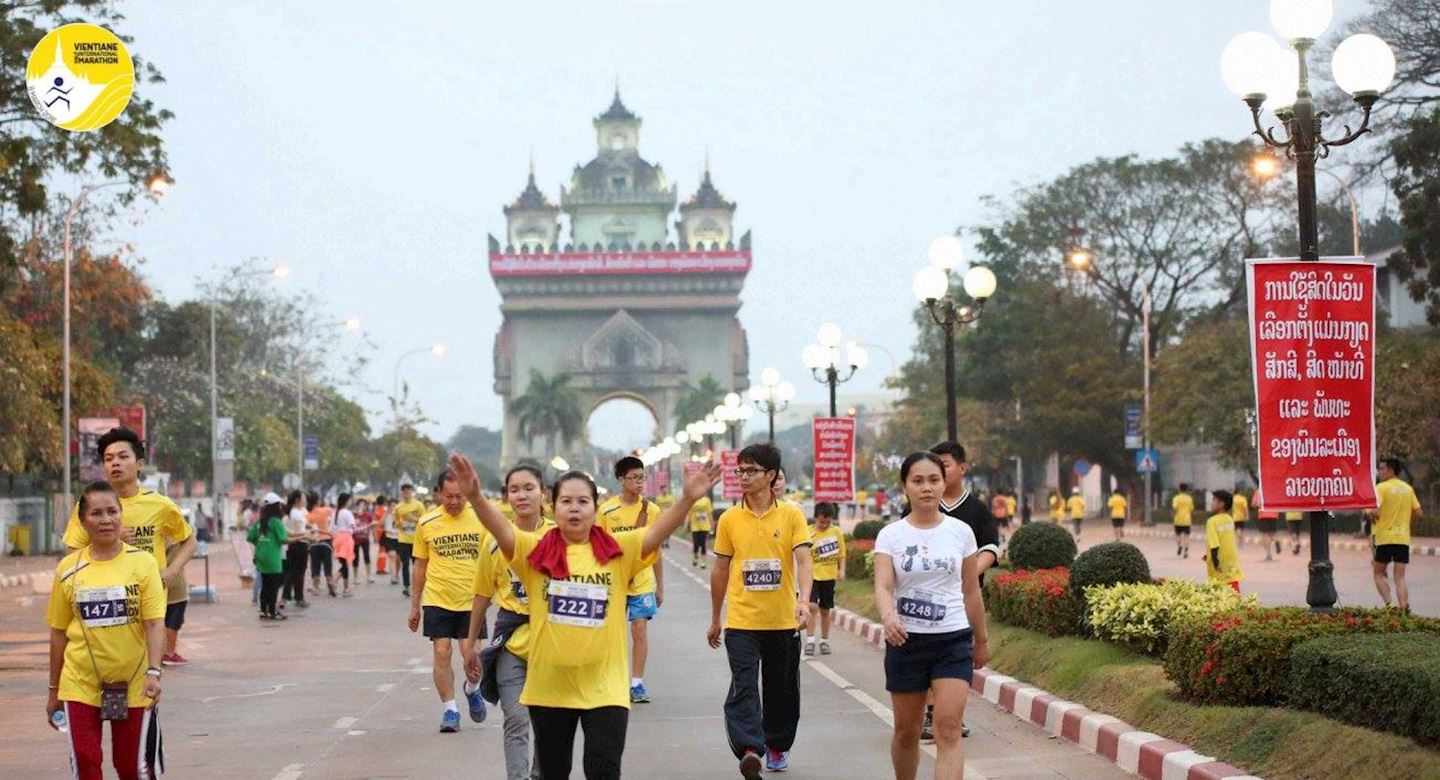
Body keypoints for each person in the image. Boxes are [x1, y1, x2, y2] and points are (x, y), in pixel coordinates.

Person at [448, 452, 720, 780]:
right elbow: (501, 532)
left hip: (605, 687)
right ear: (553, 506)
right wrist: (475, 496)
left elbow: (657, 532)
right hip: (550, 688)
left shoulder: (619, 551)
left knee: (603, 769)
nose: (574, 508)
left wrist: (688, 499)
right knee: (554, 772)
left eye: (582, 501)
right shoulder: (534, 552)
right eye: (566, 501)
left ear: (595, 508)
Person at [875, 453, 990, 780]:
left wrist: (980, 640)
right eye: (918, 481)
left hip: (952, 641)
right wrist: (889, 617)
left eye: (934, 480)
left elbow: (971, 591)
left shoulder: (962, 532)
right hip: (906, 641)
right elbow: (883, 585)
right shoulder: (891, 535)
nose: (926, 488)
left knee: (949, 729)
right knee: (906, 732)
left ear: (944, 483)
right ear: (905, 487)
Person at [47, 481, 166, 780]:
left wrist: (154, 672)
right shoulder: (68, 570)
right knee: (86, 763)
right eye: (97, 513)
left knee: (131, 768)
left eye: (112, 511)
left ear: (121, 515)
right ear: (83, 520)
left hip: (135, 684)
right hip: (80, 684)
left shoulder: (143, 563)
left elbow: (154, 623)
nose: (106, 520)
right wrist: (53, 691)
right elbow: (59, 633)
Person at [708, 443, 813, 778]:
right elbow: (720, 569)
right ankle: (751, 748)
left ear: (771, 476)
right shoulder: (729, 519)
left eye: (751, 470)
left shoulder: (791, 514)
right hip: (742, 621)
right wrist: (715, 618)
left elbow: (804, 559)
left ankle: (777, 745)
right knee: (744, 684)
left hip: (782, 621)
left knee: (780, 687)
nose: (743, 476)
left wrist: (803, 600)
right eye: (740, 470)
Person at [461, 464, 555, 779]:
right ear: (507, 496)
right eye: (514, 489)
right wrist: (471, 642)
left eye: (529, 488)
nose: (522, 495)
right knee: (516, 718)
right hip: (511, 641)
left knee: (547, 722)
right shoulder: (493, 541)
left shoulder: (561, 538)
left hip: (552, 642)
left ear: (544, 493)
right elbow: (482, 594)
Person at [903, 441, 998, 743]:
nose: (934, 476)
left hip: (962, 601)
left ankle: (949, 715)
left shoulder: (977, 510)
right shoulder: (918, 507)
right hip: (923, 602)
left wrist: (967, 570)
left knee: (955, 657)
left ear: (961, 469)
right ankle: (931, 712)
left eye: (943, 465)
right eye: (922, 477)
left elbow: (991, 549)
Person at [63, 427, 197, 593]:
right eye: (109, 459)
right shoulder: (89, 506)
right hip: (106, 596)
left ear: (140, 463)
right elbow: (72, 553)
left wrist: (171, 572)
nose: (115, 463)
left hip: (149, 598)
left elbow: (190, 542)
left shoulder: (160, 505)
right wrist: (109, 543)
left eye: (123, 456)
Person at [407, 471, 487, 733]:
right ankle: (450, 710)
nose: (454, 501)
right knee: (441, 653)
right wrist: (415, 606)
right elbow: (420, 564)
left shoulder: (481, 519)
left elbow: (495, 558)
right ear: (438, 493)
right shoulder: (427, 522)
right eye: (449, 496)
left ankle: (472, 690)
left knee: (471, 657)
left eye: (460, 496)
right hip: (438, 599)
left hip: (472, 600)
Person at [597, 456, 664, 704]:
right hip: (613, 582)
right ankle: (610, 679)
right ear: (621, 480)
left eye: (642, 477)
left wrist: (660, 585)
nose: (639, 482)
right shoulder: (606, 511)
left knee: (639, 628)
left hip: (642, 581)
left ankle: (637, 683)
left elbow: (655, 550)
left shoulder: (652, 511)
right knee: (611, 634)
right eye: (634, 478)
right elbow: (598, 550)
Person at [1368, 457, 1422, 612]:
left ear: (1391, 470)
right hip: (1402, 538)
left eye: (1382, 468)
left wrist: (1374, 516)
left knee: (1378, 572)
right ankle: (1404, 608)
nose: (1379, 472)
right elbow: (1419, 512)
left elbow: (1373, 511)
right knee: (1400, 577)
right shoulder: (1407, 488)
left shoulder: (1381, 488)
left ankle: (1390, 605)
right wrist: (1405, 519)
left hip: (1384, 538)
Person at [804, 502, 845, 657]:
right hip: (812, 576)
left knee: (825, 610)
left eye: (828, 522)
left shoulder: (836, 532)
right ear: (816, 517)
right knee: (812, 607)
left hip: (829, 576)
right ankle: (810, 639)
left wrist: (841, 570)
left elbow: (842, 554)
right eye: (822, 522)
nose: (825, 525)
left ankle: (825, 640)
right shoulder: (807, 532)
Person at [248, 493, 291, 620]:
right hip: (273, 558)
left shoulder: (259, 522)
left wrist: (260, 547)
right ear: (275, 507)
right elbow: (283, 539)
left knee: (265, 584)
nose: (281, 507)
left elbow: (251, 538)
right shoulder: (276, 522)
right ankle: (272, 611)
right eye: (279, 505)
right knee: (273, 585)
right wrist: (300, 538)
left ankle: (263, 610)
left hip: (261, 557)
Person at [1204, 491, 1244, 592]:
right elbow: (1226, 541)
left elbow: (1214, 545)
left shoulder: (1212, 521)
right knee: (1235, 597)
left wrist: (1215, 562)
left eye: (1214, 500)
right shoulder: (1230, 520)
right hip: (1231, 565)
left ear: (1221, 504)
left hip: (1219, 568)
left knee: (1219, 600)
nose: (1211, 503)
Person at [161, 533, 190, 665]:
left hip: (160, 581)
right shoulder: (175, 538)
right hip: (175, 583)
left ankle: (164, 651)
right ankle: (169, 653)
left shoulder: (157, 537)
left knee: (163, 619)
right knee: (174, 620)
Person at [393, 483, 425, 597]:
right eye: (404, 491)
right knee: (405, 563)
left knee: (417, 564)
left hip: (416, 539)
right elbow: (396, 523)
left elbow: (424, 520)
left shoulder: (419, 505)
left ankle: (418, 587)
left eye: (408, 491)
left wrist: (413, 519)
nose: (407, 493)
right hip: (403, 538)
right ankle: (406, 586)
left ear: (412, 492)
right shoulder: (398, 507)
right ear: (402, 493)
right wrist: (400, 523)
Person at [282, 490, 310, 609]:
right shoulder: (297, 514)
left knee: (292, 572)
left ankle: (287, 596)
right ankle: (298, 597)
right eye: (303, 498)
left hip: (292, 545)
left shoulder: (291, 512)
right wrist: (309, 534)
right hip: (299, 544)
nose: (305, 500)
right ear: (298, 500)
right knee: (299, 572)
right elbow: (298, 533)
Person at [306, 492, 337, 597]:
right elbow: (334, 514)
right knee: (328, 566)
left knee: (315, 566)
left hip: (313, 543)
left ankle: (316, 588)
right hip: (326, 542)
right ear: (318, 501)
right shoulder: (325, 510)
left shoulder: (307, 515)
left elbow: (306, 528)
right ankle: (330, 584)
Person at [333, 493, 357, 597]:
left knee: (344, 564)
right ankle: (335, 580)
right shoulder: (347, 513)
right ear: (346, 501)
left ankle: (346, 588)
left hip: (337, 538)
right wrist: (368, 526)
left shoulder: (335, 513)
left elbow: (332, 529)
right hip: (346, 539)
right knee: (346, 564)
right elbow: (354, 528)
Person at [689, 489, 714, 568]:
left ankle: (703, 562)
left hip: (705, 526)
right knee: (696, 543)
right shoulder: (693, 499)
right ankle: (695, 556)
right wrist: (686, 524)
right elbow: (689, 513)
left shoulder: (706, 500)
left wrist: (712, 524)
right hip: (695, 526)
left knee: (703, 544)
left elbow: (709, 513)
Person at [353, 497, 375, 583]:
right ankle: (355, 577)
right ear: (357, 505)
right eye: (360, 504)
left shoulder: (368, 515)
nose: (362, 506)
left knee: (367, 557)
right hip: (355, 540)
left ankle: (369, 576)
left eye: (364, 504)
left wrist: (375, 535)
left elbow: (372, 525)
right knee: (355, 558)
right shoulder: (353, 515)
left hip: (365, 539)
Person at [1171, 484, 1194, 558]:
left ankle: (1180, 546)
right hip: (1187, 520)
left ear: (1179, 489)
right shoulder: (1189, 498)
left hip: (1178, 520)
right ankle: (1186, 552)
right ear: (1186, 489)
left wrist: (1173, 515)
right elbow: (1191, 509)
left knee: (1178, 535)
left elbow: (1174, 508)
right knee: (1186, 536)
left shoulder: (1176, 498)